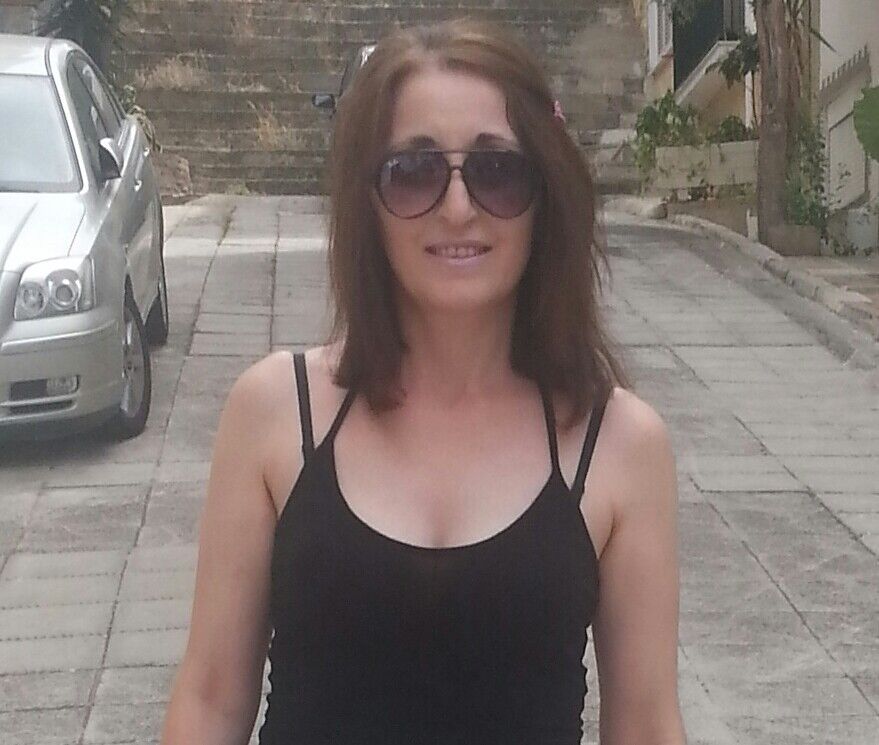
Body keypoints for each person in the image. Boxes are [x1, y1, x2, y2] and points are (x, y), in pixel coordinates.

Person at [160, 17, 686, 745]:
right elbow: (210, 699)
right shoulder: (276, 412)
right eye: (413, 171)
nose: (459, 208)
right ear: (367, 201)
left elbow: (647, 725)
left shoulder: (619, 442)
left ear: (546, 195)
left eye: (497, 170)